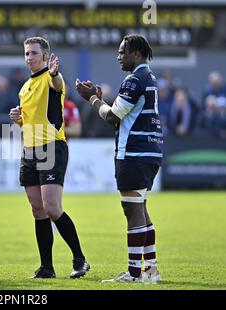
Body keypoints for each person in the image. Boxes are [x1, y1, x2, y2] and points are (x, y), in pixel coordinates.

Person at [76, 34, 162, 283]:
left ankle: (135, 273)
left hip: (134, 152)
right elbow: (127, 113)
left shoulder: (134, 79)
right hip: (150, 151)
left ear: (136, 53)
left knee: (132, 209)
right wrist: (101, 99)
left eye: (122, 52)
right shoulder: (149, 77)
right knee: (141, 208)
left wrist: (92, 98)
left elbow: (113, 116)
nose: (118, 56)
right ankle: (151, 269)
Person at [9, 37, 89, 279]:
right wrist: (18, 118)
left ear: (45, 56)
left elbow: (57, 83)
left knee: (52, 208)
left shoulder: (53, 78)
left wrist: (54, 73)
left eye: (34, 53)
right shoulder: (24, 87)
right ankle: (47, 267)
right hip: (29, 150)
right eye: (26, 53)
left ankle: (80, 259)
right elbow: (30, 120)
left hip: (52, 147)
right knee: (38, 210)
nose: (29, 57)